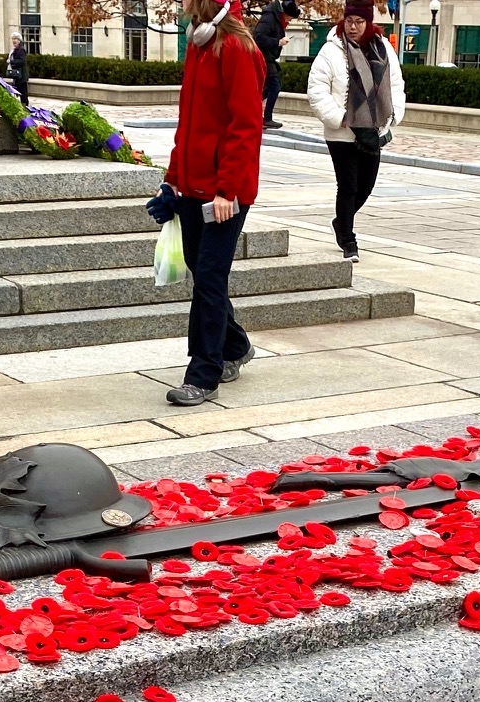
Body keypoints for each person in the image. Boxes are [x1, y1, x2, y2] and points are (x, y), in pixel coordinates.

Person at [163, 0, 263, 408]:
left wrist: (227, 189)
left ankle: (204, 373)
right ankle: (235, 345)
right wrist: (172, 178)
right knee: (202, 272)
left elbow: (246, 124)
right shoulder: (199, 44)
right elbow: (188, 122)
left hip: (225, 191)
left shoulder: (237, 48)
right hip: (192, 185)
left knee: (208, 276)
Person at [307, 0, 403, 262]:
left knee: (366, 186)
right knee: (348, 186)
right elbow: (317, 90)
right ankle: (349, 241)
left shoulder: (383, 48)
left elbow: (395, 84)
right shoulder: (331, 51)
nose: (353, 27)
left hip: (372, 129)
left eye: (359, 22)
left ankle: (341, 221)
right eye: (349, 21)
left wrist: (393, 114)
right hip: (341, 132)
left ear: (368, 23)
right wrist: (340, 118)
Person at [252, 0, 298, 128]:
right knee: (275, 85)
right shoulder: (270, 18)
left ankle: (253, 109)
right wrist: (278, 42)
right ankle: (267, 118)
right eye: (290, 17)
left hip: (268, 57)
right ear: (285, 14)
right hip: (264, 57)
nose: (290, 20)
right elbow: (258, 37)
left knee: (270, 86)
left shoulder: (276, 19)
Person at [6, 31, 30, 105]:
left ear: (19, 40)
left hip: (21, 76)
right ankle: (21, 105)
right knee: (17, 92)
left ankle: (25, 106)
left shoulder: (21, 49)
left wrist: (11, 61)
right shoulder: (15, 50)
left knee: (23, 93)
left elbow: (22, 61)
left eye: (15, 39)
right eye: (13, 39)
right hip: (17, 75)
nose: (14, 41)